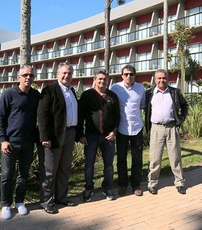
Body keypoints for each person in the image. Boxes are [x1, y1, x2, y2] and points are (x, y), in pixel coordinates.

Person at [0, 65, 41, 220]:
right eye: (25, 75)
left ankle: (20, 201)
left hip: (28, 143)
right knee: (7, 175)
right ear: (19, 77)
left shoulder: (35, 95)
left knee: (24, 174)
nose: (28, 77)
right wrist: (3, 140)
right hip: (10, 143)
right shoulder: (9, 94)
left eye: (31, 75)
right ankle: (6, 204)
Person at [37, 62, 78, 214]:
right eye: (64, 73)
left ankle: (61, 197)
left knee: (64, 169)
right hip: (53, 137)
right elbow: (42, 115)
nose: (66, 76)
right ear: (58, 74)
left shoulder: (71, 91)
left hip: (69, 134)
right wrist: (45, 137)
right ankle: (46, 201)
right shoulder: (49, 90)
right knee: (49, 170)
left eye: (69, 73)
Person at [77, 69, 120, 202]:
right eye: (100, 79)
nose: (102, 81)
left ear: (108, 81)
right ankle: (89, 188)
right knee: (89, 164)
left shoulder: (112, 96)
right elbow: (80, 116)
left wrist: (114, 131)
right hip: (91, 136)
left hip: (108, 137)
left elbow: (117, 116)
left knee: (108, 165)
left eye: (105, 79)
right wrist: (80, 134)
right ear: (94, 80)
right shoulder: (87, 95)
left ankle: (107, 188)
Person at [144, 69, 188, 195]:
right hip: (156, 128)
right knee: (155, 158)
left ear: (168, 79)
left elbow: (185, 106)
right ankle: (152, 183)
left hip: (171, 128)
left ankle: (180, 183)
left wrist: (181, 118)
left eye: (164, 78)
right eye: (159, 78)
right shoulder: (149, 93)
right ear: (155, 79)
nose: (161, 80)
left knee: (175, 157)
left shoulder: (174, 92)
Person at [111, 64, 145, 197]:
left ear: (134, 76)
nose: (128, 76)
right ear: (122, 76)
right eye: (126, 74)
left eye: (131, 74)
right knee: (121, 158)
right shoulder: (115, 88)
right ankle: (123, 184)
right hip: (121, 128)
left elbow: (142, 105)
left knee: (137, 159)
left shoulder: (140, 88)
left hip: (137, 128)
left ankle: (136, 185)